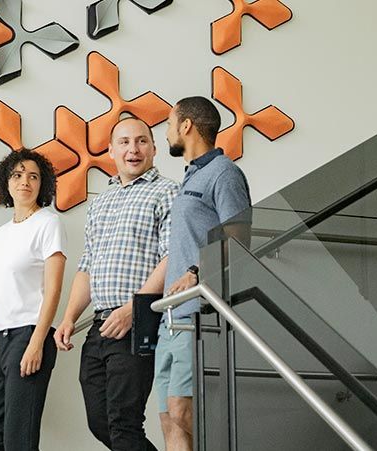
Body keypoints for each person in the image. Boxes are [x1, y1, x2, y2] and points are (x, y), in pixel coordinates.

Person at [54, 117, 178, 450]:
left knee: (124, 423)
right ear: (110, 151)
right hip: (99, 325)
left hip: (138, 321)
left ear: (153, 148)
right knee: (101, 423)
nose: (133, 149)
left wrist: (132, 310)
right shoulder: (101, 201)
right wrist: (68, 318)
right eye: (124, 142)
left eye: (141, 141)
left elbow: (172, 258)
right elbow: (87, 266)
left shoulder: (167, 191)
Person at [155, 96, 252, 451]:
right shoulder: (191, 176)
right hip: (171, 317)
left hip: (198, 316)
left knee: (183, 411)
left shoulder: (224, 174)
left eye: (168, 124)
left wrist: (196, 272)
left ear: (186, 126)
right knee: (168, 418)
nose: (165, 132)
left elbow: (238, 239)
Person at [0, 149, 67, 451]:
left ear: (43, 184)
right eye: (17, 174)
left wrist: (37, 343)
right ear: (6, 183)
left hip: (29, 335)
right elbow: (3, 293)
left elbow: (53, 290)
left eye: (33, 176)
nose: (24, 181)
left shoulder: (48, 224)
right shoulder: (1, 234)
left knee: (19, 443)